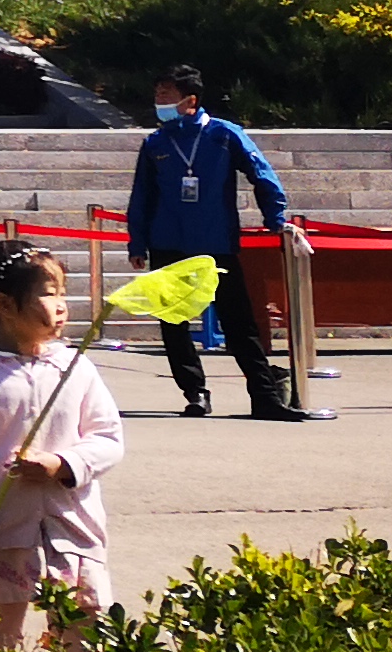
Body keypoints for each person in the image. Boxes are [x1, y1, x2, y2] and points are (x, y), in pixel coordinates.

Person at [0, 238, 122, 652]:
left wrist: (64, 465)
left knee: (83, 633)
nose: (61, 306)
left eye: (63, 294)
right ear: (5, 305)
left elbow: (109, 438)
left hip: (72, 525)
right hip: (0, 527)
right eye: (48, 293)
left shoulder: (76, 367)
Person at [125, 65, 304, 421]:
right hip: (168, 242)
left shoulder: (224, 135)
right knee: (173, 324)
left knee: (239, 324)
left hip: (215, 242)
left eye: (166, 94)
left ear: (189, 100)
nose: (159, 100)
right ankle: (195, 392)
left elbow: (261, 173)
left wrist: (275, 218)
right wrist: (137, 243)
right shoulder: (156, 142)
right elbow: (142, 195)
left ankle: (264, 396)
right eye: (157, 93)